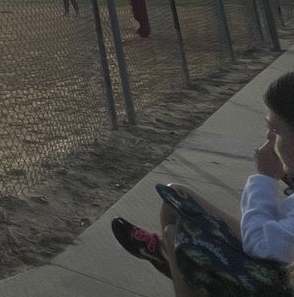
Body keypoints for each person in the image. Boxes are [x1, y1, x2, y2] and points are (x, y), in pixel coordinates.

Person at [111, 70, 294, 295]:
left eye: (275, 130)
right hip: (277, 253)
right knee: (176, 195)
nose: (268, 138)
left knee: (176, 236)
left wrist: (265, 179)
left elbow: (260, 245)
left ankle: (172, 259)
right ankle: (164, 255)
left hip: (275, 276)